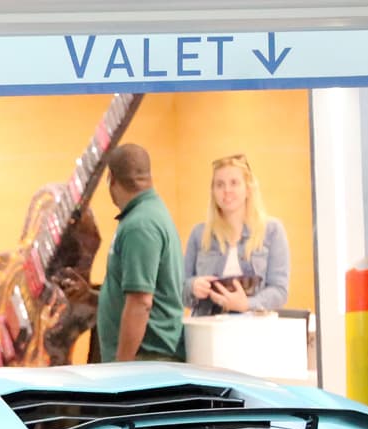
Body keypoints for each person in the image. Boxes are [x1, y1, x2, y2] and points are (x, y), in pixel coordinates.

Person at [95, 144, 186, 363]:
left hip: (143, 359)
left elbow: (140, 301)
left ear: (112, 179)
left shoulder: (141, 225)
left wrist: (122, 366)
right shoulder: (147, 214)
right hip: (143, 357)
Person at [184, 153, 290, 316]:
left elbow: (279, 290)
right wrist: (192, 287)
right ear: (213, 191)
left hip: (253, 332)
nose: (227, 190)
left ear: (248, 189)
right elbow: (179, 289)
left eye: (234, 183)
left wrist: (247, 304)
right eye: (219, 184)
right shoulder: (199, 234)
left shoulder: (272, 231)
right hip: (206, 332)